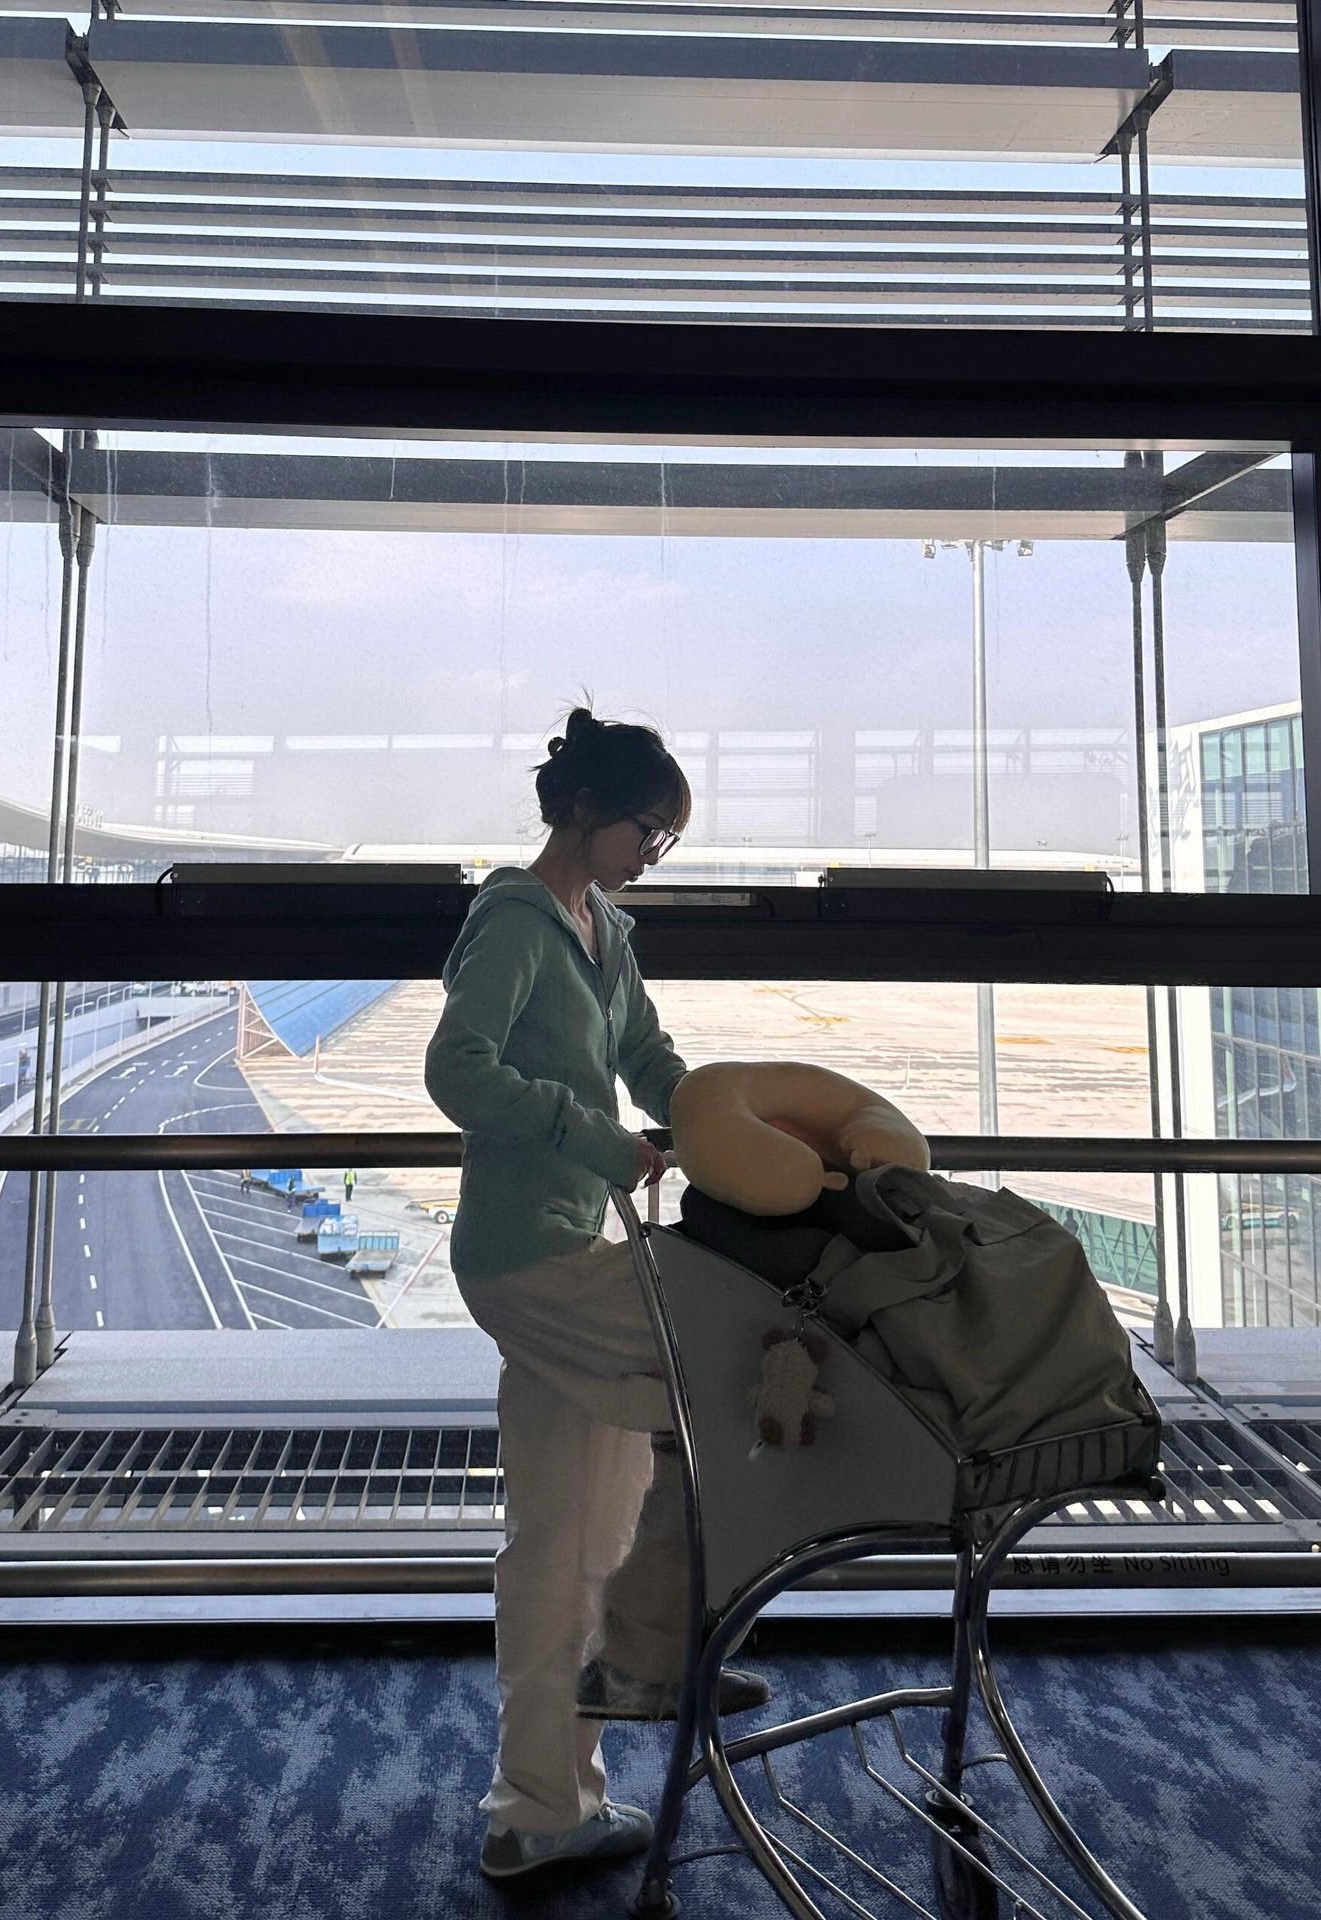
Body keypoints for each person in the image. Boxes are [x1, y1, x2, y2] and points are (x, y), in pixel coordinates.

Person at [424, 706, 768, 1884]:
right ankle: (658, 1644)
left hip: (569, 1244)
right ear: (584, 811)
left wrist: (724, 1125)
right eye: (645, 833)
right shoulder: (515, 920)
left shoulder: (602, 929)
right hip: (530, 1256)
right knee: (717, 1359)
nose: (651, 856)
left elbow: (649, 1057)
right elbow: (457, 1070)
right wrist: (594, 1138)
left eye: (664, 840)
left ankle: (542, 1808)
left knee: (568, 1538)